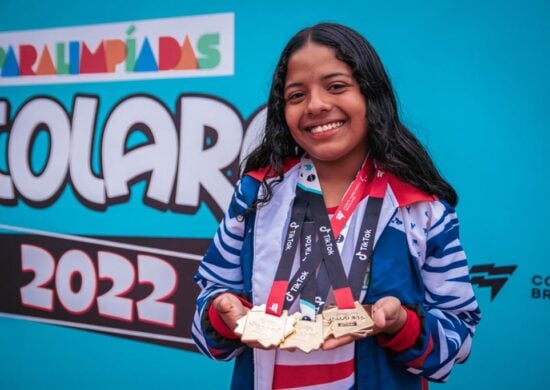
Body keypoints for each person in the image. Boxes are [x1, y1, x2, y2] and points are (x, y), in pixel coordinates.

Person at [192, 22, 480, 390]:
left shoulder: (420, 208)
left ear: (371, 95)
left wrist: (400, 324)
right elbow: (208, 310)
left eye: (336, 86)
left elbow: (460, 336)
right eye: (296, 95)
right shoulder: (256, 194)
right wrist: (222, 314)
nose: (316, 105)